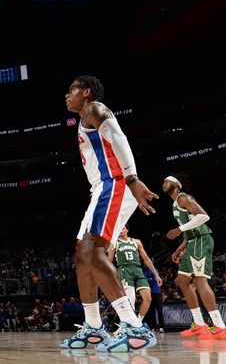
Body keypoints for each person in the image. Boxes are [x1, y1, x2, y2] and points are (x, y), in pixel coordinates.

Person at [59, 76, 158, 352]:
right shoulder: (84, 119)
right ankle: (93, 327)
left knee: (93, 251)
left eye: (72, 90)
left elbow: (118, 137)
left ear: (86, 92)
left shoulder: (94, 108)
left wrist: (132, 178)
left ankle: (134, 327)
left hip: (115, 183)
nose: (67, 95)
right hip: (101, 189)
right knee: (81, 256)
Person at [163, 175, 226, 340]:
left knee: (200, 281)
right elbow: (189, 230)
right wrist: (180, 248)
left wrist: (179, 229)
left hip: (201, 240)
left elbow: (203, 217)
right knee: (182, 281)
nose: (163, 184)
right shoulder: (175, 205)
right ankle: (200, 324)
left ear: (177, 185)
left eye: (167, 181)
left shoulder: (184, 198)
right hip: (192, 242)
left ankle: (220, 326)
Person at [107, 225, 162, 323]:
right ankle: (127, 324)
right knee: (131, 299)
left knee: (148, 298)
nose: (120, 230)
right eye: (119, 229)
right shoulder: (114, 243)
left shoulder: (136, 242)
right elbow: (109, 261)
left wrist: (156, 275)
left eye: (123, 228)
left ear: (127, 229)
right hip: (124, 270)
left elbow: (146, 259)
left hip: (138, 269)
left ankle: (138, 322)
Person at [142, 267, 164, 333]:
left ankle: (161, 327)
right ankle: (154, 327)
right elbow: (144, 279)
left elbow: (153, 280)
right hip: (149, 293)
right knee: (151, 311)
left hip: (157, 292)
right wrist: (149, 278)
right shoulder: (144, 270)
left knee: (159, 310)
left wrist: (148, 279)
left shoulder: (155, 270)